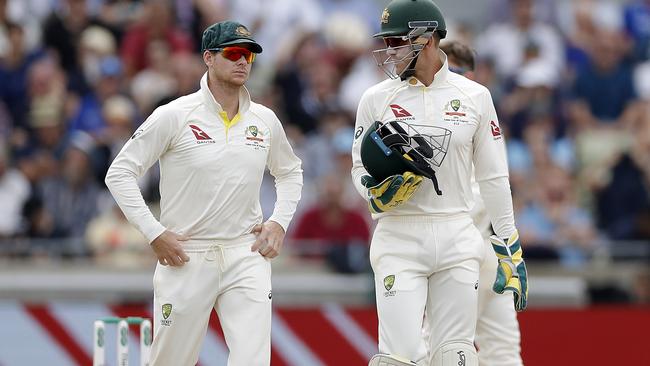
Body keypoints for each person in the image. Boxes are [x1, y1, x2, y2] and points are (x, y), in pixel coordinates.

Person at [104, 20, 303, 366]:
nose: (244, 62)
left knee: (253, 360)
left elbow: (290, 171)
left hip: (245, 252)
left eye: (250, 56)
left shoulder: (264, 119)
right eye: (235, 54)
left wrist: (279, 223)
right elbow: (119, 173)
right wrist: (154, 233)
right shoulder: (175, 115)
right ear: (208, 58)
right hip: (185, 254)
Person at [350, 1, 528, 365]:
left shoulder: (475, 97)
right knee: (397, 356)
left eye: (397, 41)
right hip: (399, 234)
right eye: (386, 42)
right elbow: (358, 166)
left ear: (428, 40)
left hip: (457, 234)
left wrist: (509, 243)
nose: (389, 51)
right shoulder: (375, 99)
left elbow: (494, 176)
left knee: (455, 354)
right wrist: (374, 194)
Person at [440, 40, 523, 366]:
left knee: (446, 343)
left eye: (458, 71)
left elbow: (488, 189)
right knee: (497, 348)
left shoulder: (476, 112)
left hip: (468, 250)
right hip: (484, 249)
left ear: (472, 75)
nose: (452, 77)